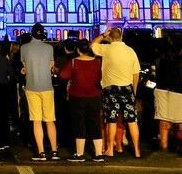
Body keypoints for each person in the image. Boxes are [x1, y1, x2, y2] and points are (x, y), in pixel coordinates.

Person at [91, 28, 142, 158]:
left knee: (111, 119)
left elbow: (93, 45)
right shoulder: (130, 51)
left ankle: (110, 149)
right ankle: (137, 150)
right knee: (132, 120)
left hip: (111, 89)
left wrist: (102, 35)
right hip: (127, 87)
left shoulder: (107, 49)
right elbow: (136, 73)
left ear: (110, 37)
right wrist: (134, 91)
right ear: (121, 36)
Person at [59, 38, 104, 162]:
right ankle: (98, 153)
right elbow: (100, 77)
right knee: (95, 123)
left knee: (79, 124)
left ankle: (79, 153)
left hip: (77, 96)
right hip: (94, 95)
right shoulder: (97, 62)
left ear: (78, 50)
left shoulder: (73, 62)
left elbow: (63, 75)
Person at [21, 22, 59, 161]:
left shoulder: (24, 48)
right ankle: (54, 151)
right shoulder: (49, 48)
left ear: (31, 33)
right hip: (47, 87)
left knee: (36, 120)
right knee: (50, 120)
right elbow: (51, 66)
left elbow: (24, 67)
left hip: (32, 87)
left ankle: (41, 152)